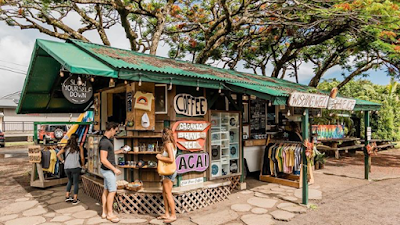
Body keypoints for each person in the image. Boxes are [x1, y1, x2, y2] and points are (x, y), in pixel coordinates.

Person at [99, 122, 124, 223]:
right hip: (108, 170)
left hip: (106, 170)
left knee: (106, 190)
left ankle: (104, 212)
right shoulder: (105, 142)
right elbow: (103, 159)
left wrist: (119, 151)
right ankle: (110, 213)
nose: (116, 132)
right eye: (116, 130)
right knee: (112, 191)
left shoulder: (105, 140)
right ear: (112, 129)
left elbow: (108, 153)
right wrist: (114, 169)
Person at [156, 128, 178, 223]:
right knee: (165, 193)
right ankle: (166, 213)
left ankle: (173, 215)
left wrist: (160, 157)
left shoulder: (167, 144)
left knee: (168, 193)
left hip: (169, 172)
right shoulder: (173, 144)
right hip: (170, 171)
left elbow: (171, 159)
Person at [57, 133, 85, 205]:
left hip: (67, 167)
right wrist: (83, 165)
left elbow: (58, 154)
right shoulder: (79, 147)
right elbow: (82, 158)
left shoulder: (66, 147)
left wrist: (63, 161)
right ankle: (75, 199)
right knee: (75, 182)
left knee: (69, 181)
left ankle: (67, 196)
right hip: (75, 167)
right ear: (76, 139)